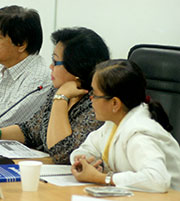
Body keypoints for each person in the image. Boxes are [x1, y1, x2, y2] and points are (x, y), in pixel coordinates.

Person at [0, 27, 110, 164]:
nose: (50, 66)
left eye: (55, 62)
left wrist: (60, 100)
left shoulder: (96, 104)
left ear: (77, 67)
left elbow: (62, 154)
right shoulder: (57, 91)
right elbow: (29, 130)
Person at [70, 59, 180, 192]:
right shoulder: (113, 123)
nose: (90, 99)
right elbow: (88, 148)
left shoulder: (139, 134)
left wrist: (102, 178)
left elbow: (157, 179)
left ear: (115, 103)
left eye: (95, 94)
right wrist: (83, 160)